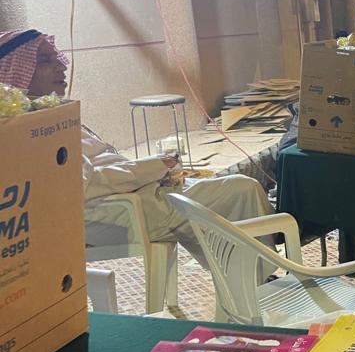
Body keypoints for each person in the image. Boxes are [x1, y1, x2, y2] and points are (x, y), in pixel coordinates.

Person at [0, 29, 272, 274]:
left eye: (56, 57)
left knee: (231, 195)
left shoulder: (47, 117)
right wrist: (155, 166)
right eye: (44, 61)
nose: (61, 66)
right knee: (241, 189)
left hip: (133, 197)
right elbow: (85, 184)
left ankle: (244, 280)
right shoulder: (31, 129)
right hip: (119, 211)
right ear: (14, 74)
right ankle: (259, 282)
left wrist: (155, 171)